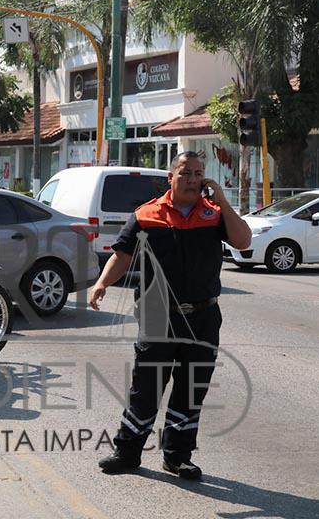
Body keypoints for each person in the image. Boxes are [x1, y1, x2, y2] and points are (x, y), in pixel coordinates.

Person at [89, 151, 251, 480]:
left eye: (198, 173)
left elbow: (243, 241)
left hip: (204, 317)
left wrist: (221, 200)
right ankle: (128, 452)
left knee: (191, 389)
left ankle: (177, 456)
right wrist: (101, 283)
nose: (192, 179)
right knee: (146, 388)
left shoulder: (213, 214)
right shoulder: (147, 214)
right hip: (158, 316)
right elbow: (122, 256)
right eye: (185, 173)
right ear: (171, 177)